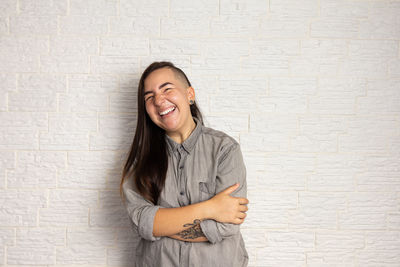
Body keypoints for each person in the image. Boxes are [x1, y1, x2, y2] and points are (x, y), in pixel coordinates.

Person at [120, 61, 249, 267]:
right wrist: (210, 208)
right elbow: (141, 221)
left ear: (190, 95)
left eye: (167, 89)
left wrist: (161, 224)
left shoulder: (225, 149)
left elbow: (226, 225)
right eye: (149, 97)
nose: (159, 100)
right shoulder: (140, 158)